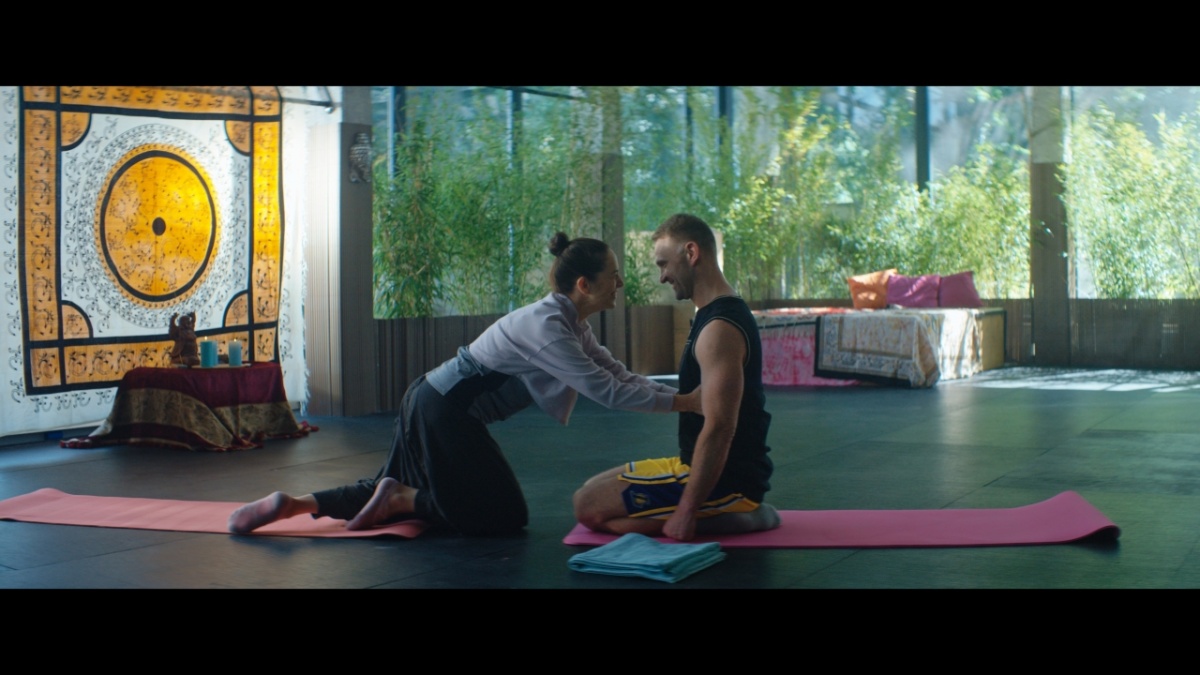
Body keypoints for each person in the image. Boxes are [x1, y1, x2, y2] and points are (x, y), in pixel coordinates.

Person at [228, 232, 702, 536]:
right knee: (504, 513)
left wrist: (683, 396)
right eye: (614, 277)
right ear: (584, 284)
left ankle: (294, 505)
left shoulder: (569, 324)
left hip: (432, 399)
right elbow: (607, 391)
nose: (620, 284)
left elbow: (618, 374)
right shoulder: (548, 329)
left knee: (388, 485)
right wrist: (687, 404)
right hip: (443, 409)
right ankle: (404, 499)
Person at [572, 213, 778, 541]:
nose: (662, 277)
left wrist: (686, 512)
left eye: (663, 264)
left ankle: (740, 517)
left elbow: (721, 427)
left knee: (588, 507)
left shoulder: (719, 328)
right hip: (691, 462)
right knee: (589, 489)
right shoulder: (711, 315)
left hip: (729, 482)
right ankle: (728, 514)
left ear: (691, 253)